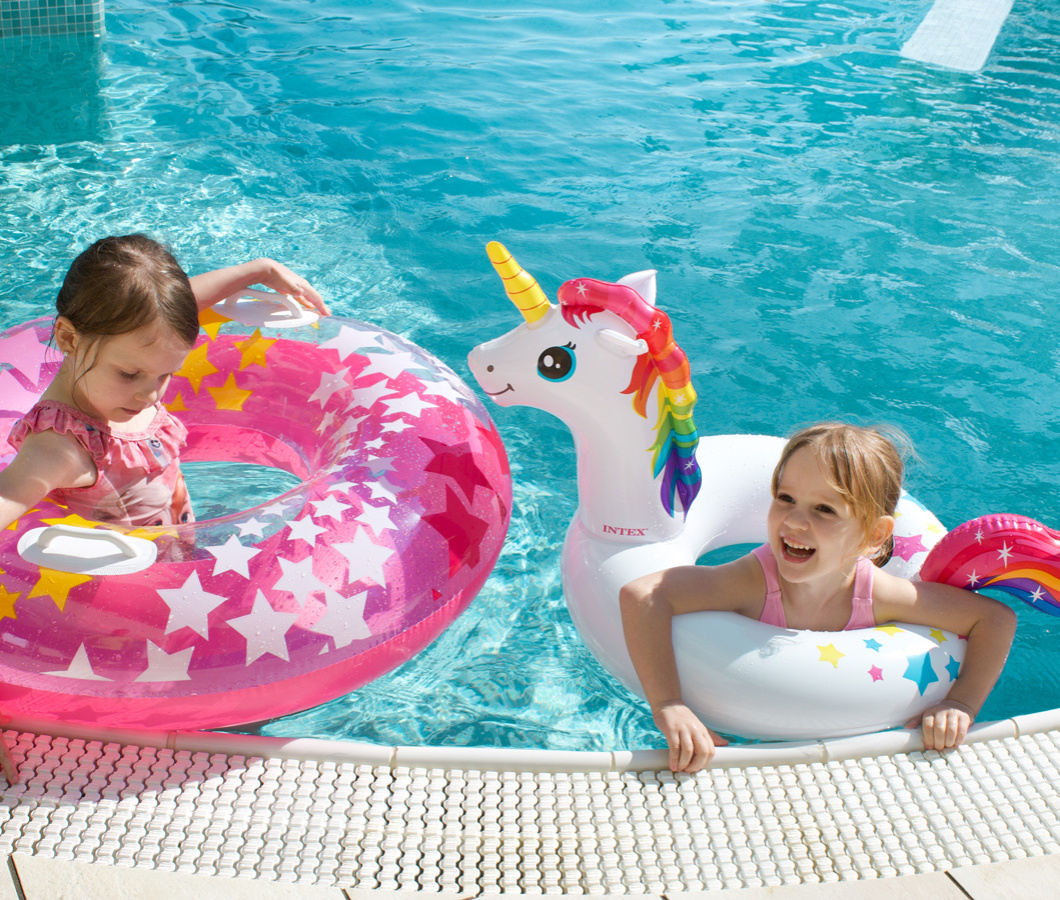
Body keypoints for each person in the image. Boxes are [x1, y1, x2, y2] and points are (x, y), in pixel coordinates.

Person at [619, 422, 1017, 773]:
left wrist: (961, 704)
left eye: (824, 509)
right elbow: (642, 595)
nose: (794, 521)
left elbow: (995, 619)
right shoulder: (751, 582)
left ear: (875, 535)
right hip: (736, 731)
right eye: (785, 498)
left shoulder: (876, 593)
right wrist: (668, 704)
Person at [0, 234, 328, 530]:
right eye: (129, 374)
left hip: (177, 542)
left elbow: (170, 307)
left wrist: (261, 270)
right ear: (68, 339)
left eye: (166, 374)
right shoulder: (60, 449)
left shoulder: (136, 353)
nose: (150, 393)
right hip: (133, 589)